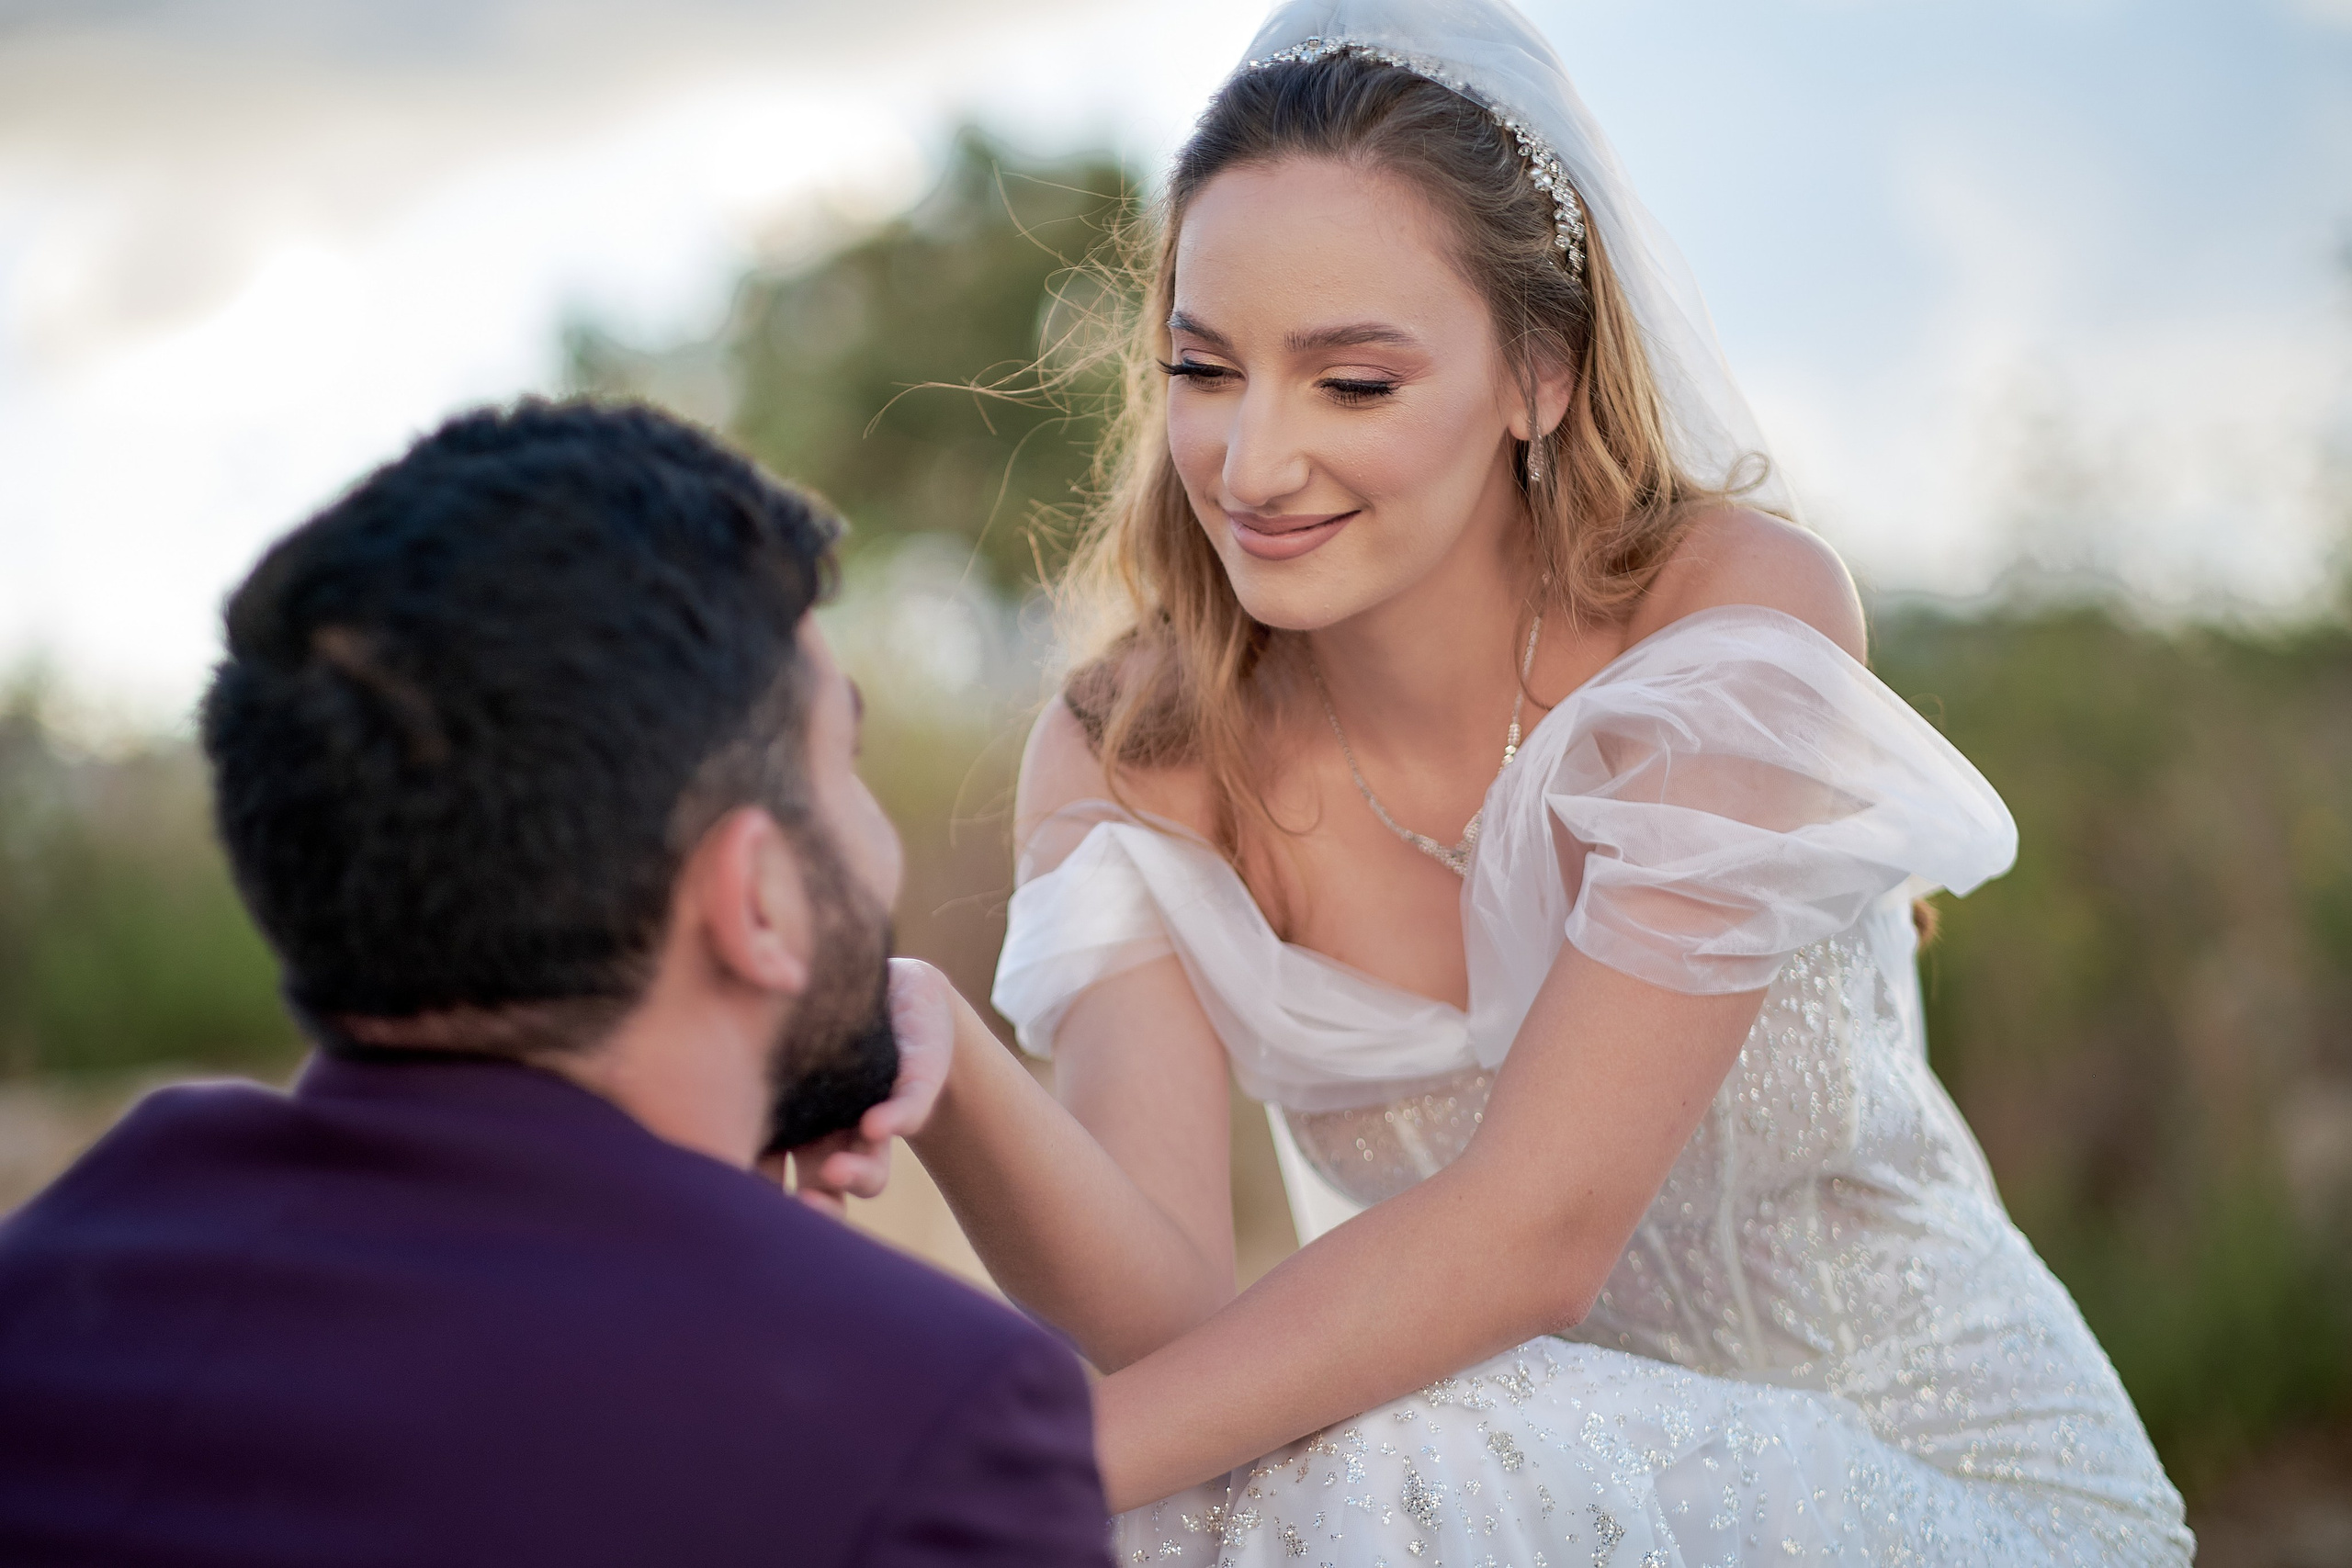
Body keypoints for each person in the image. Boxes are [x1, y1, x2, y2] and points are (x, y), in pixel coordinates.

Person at [870, 1, 2197, 1562]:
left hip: (1947, 1482)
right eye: (1204, 369)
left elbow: (1535, 1238)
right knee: (1288, 1458)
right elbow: (1169, 1313)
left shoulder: (1725, 621)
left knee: (1360, 1456)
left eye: (1352, 384)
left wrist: (1021, 1471)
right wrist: (943, 1058)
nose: (1251, 461)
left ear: (1541, 374)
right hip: (1512, 1502)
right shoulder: (1140, 754)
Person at [0, 400, 1111, 1568]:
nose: (880, 843)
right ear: (758, 901)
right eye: (850, 766)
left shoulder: (45, 1301)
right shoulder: (924, 1425)